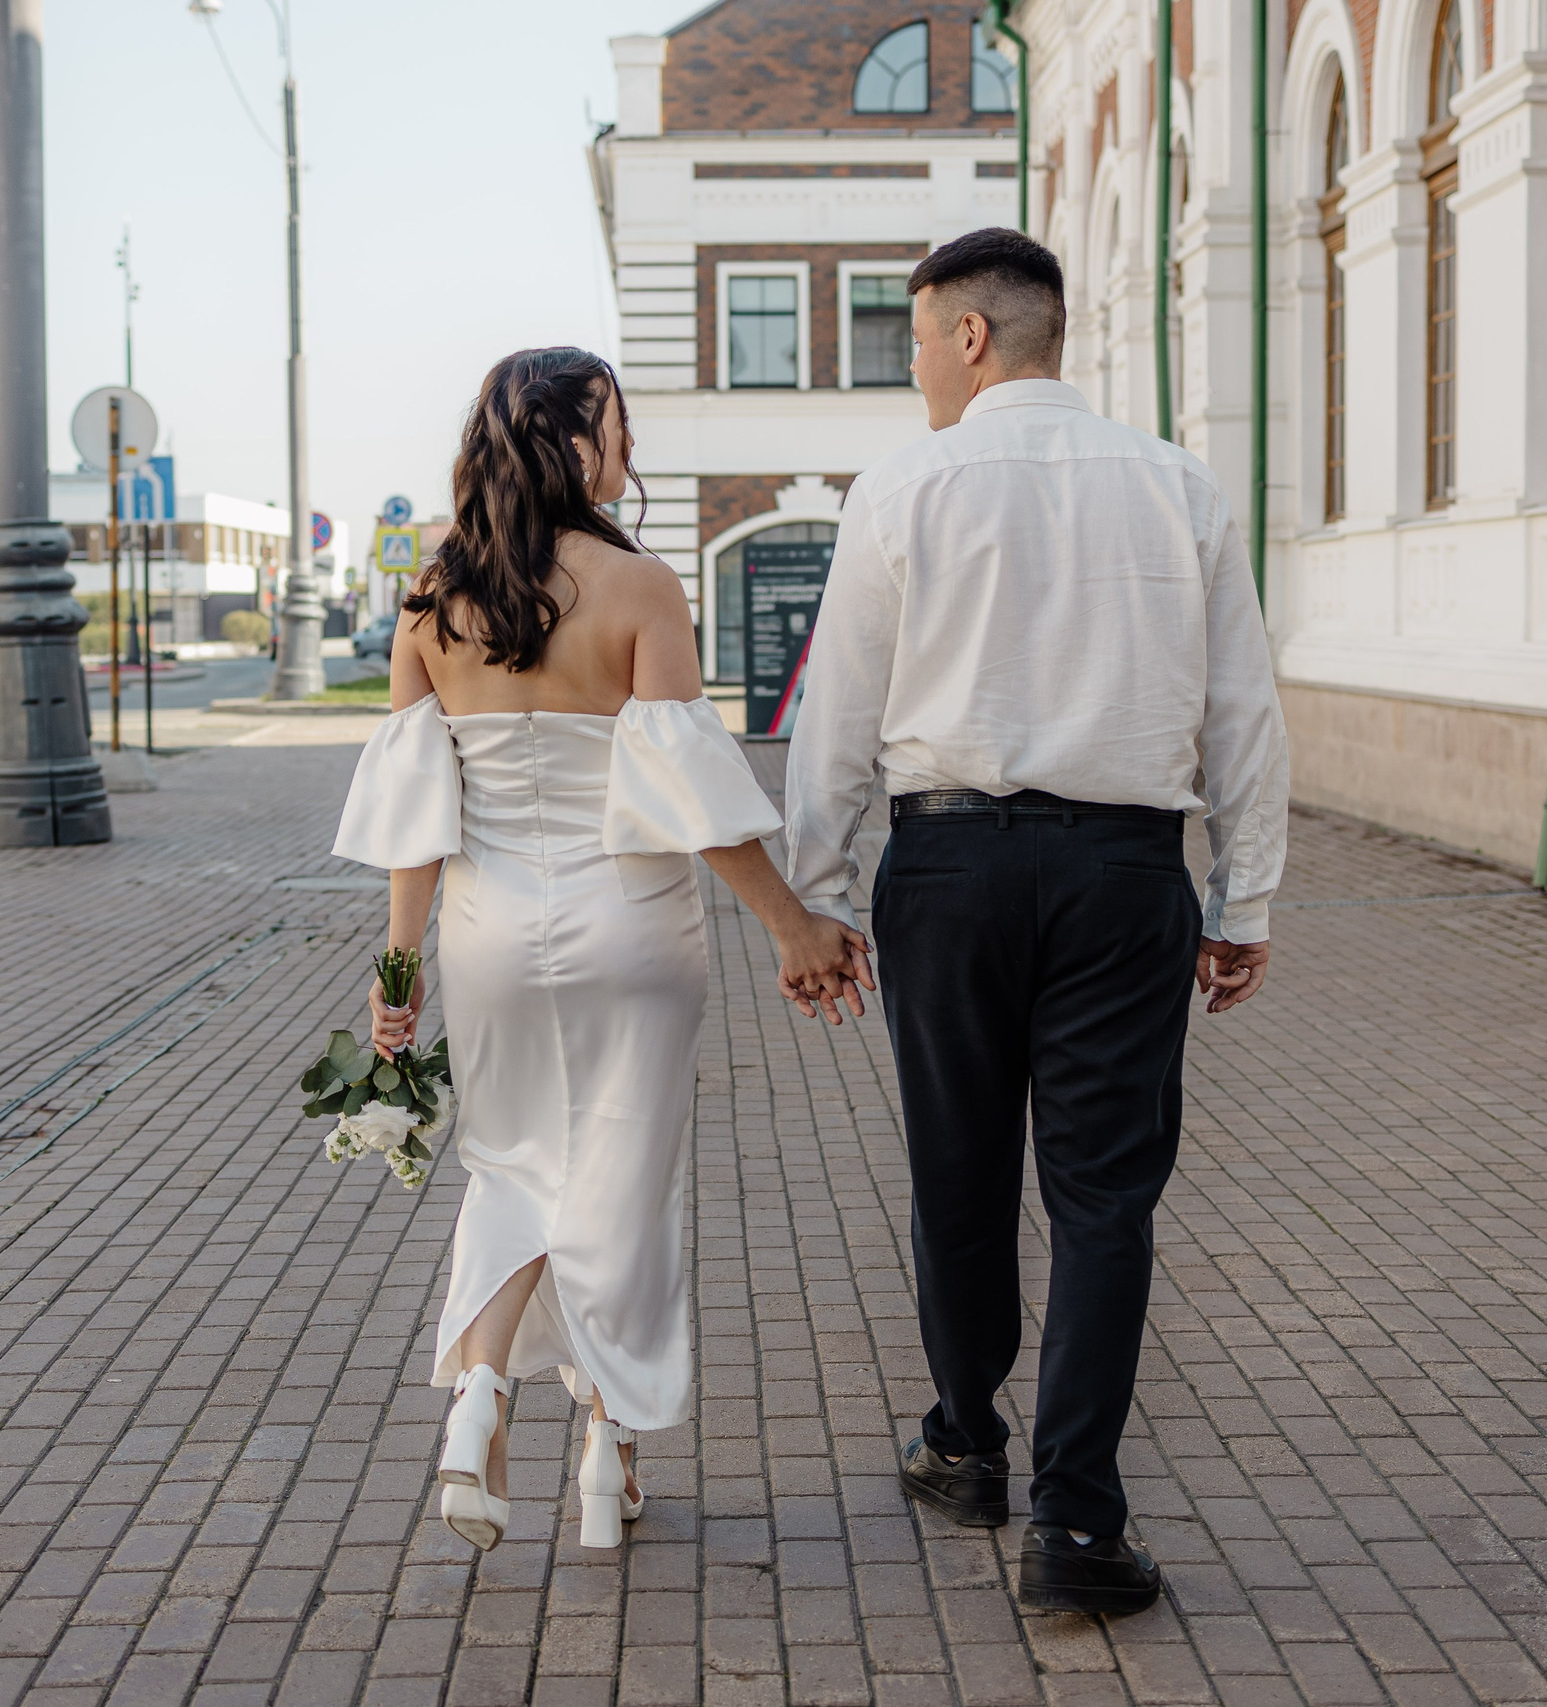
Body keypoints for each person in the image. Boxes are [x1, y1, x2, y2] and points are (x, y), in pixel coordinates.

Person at [783, 227, 1289, 1615]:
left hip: (946, 868)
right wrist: (1243, 896)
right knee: (1104, 1193)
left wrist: (815, 901)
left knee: (959, 1168)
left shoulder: (908, 487)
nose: (915, 370)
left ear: (971, 336)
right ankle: (1076, 1520)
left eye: (916, 340)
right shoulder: (1178, 483)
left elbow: (840, 714)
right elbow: (1242, 706)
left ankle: (964, 1439)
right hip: (1127, 873)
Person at [332, 347, 872, 1553]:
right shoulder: (639, 589)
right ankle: (603, 1452)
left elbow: (413, 820)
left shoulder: (431, 600)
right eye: (622, 428)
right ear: (576, 440)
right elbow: (684, 786)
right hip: (631, 927)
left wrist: (399, 975)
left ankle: (478, 1400)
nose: (637, 452)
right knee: (619, 1190)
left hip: (485, 937)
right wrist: (794, 926)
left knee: (515, 1167)